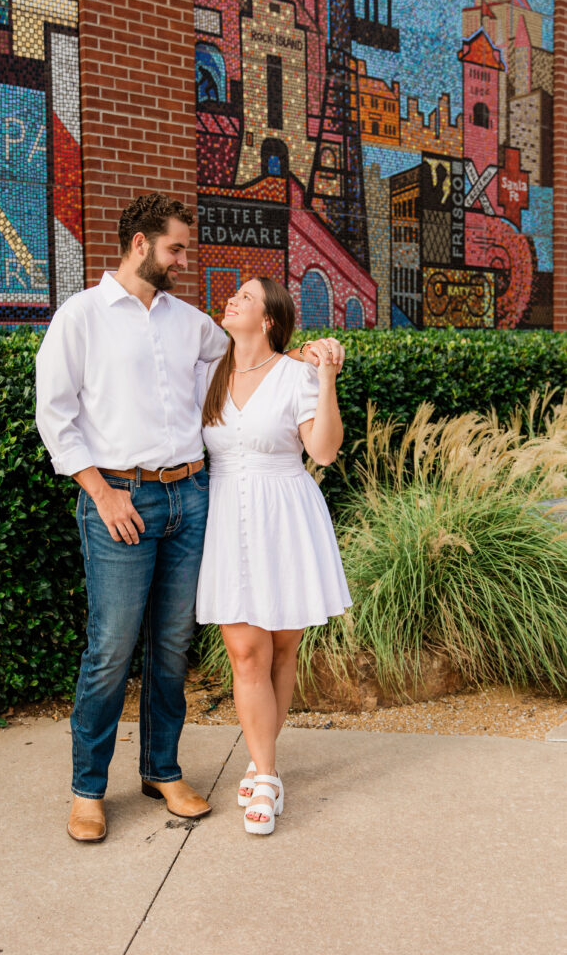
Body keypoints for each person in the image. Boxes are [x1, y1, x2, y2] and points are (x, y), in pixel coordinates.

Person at [35, 193, 341, 843]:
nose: (182, 259)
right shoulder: (81, 318)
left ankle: (162, 770)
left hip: (191, 499)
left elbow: (253, 364)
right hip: (119, 500)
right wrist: (99, 490)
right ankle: (88, 789)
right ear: (140, 243)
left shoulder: (189, 322)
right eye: (175, 247)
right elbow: (54, 415)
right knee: (111, 649)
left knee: (171, 647)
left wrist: (312, 361)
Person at [196, 276, 351, 835]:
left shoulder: (296, 375)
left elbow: (325, 452)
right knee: (246, 652)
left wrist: (326, 376)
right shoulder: (210, 372)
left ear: (267, 320)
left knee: (282, 650)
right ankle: (267, 776)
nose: (231, 299)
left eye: (245, 297)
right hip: (225, 518)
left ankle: (263, 762)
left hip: (284, 516)